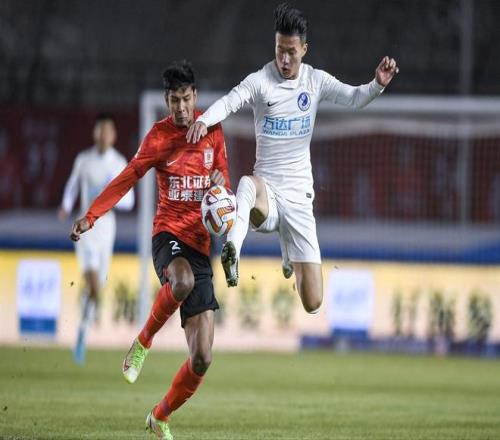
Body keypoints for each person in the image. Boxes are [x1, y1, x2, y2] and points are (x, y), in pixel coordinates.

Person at [187, 2, 398, 315]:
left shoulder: (315, 81)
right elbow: (231, 101)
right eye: (279, 50)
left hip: (299, 200)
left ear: (304, 50)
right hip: (267, 197)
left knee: (313, 303)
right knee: (246, 184)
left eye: (291, 52)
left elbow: (354, 98)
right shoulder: (260, 80)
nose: (284, 59)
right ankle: (232, 250)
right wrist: (204, 120)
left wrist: (377, 84)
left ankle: (289, 251)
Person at [70, 61, 230, 440]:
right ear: (166, 100)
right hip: (167, 237)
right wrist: (92, 215)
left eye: (186, 99)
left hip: (200, 244)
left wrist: (220, 180)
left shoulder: (212, 130)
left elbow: (223, 179)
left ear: (195, 96)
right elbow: (127, 177)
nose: (181, 107)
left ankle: (159, 415)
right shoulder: (158, 137)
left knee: (202, 357)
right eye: (174, 100)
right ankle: (143, 342)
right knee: (181, 281)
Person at [58, 113, 134, 364]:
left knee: (96, 290)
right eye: (100, 131)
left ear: (114, 135)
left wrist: (110, 195)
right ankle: (85, 313)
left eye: (107, 131)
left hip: (106, 230)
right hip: (84, 228)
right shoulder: (84, 160)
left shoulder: (118, 163)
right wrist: (65, 206)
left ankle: (82, 330)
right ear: (95, 133)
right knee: (93, 284)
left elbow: (129, 201)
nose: (103, 136)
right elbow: (72, 185)